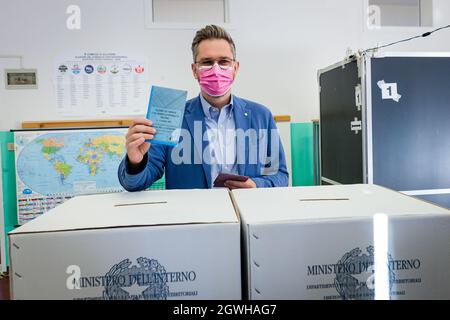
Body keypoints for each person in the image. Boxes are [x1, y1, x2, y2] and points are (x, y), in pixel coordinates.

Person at [118, 25, 288, 191]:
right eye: (207, 62)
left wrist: (257, 185)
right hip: (194, 217)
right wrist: (135, 162)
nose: (216, 69)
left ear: (235, 68)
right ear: (195, 70)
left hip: (248, 214)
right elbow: (135, 183)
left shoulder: (261, 115)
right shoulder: (173, 117)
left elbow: (280, 176)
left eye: (223, 61)